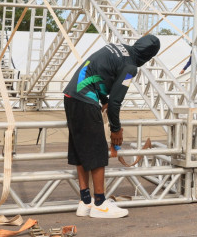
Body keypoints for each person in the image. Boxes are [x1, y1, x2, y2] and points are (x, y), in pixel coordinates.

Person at [63, 35, 161, 219]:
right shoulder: (131, 68)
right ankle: (100, 203)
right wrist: (116, 129)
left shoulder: (117, 47)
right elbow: (116, 103)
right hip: (86, 99)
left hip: (71, 95)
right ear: (148, 57)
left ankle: (85, 202)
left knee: (80, 150)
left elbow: (97, 73)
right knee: (98, 151)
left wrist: (104, 99)